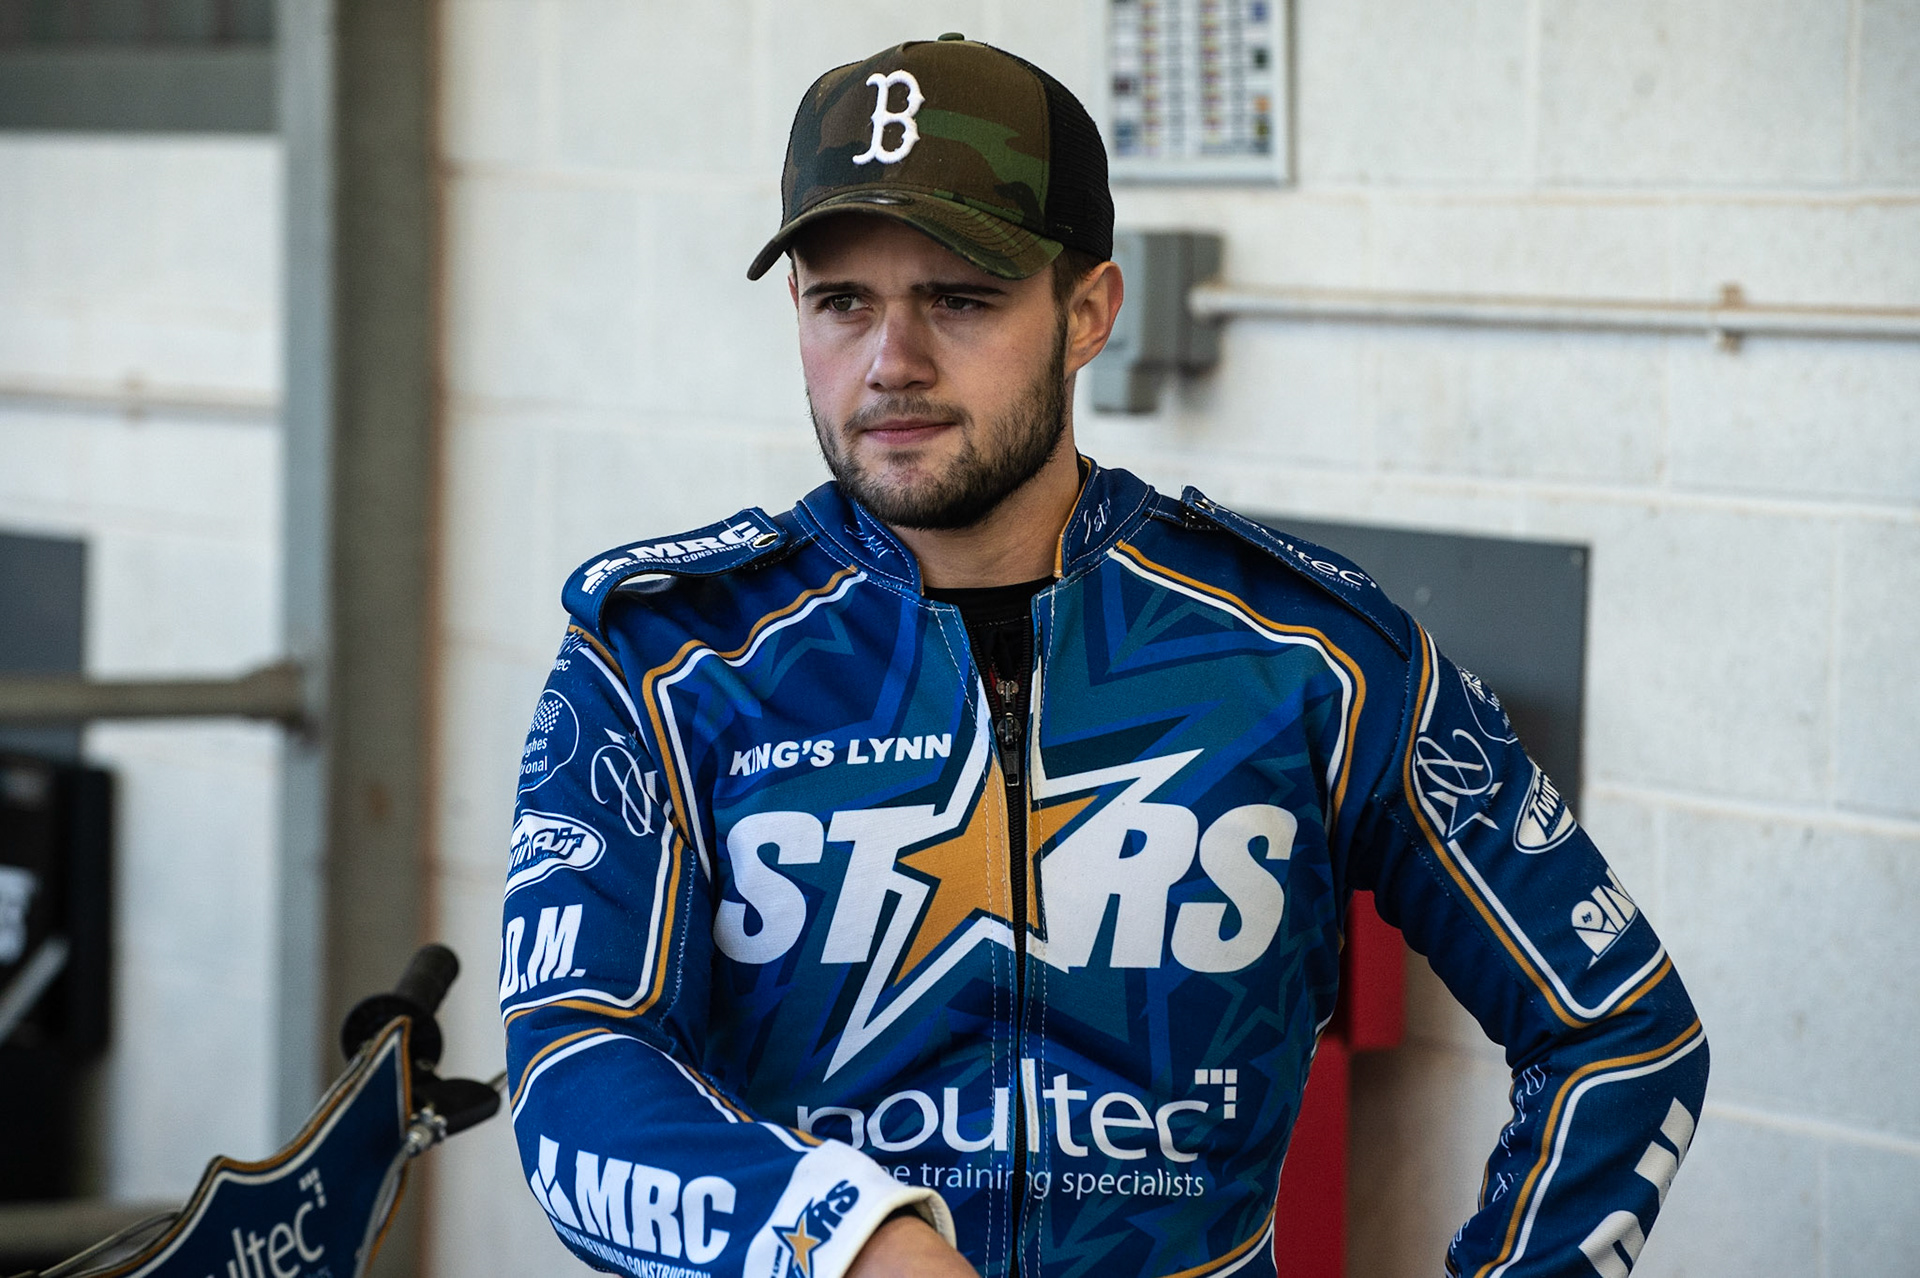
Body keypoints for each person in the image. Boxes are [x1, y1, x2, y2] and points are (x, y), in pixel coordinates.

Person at [501, 34, 1707, 1278]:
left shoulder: (1309, 655)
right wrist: (842, 1244)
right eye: (841, 301)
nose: (890, 362)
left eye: (960, 299)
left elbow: (1622, 1033)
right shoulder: (666, 659)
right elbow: (574, 1068)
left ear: (1087, 315)